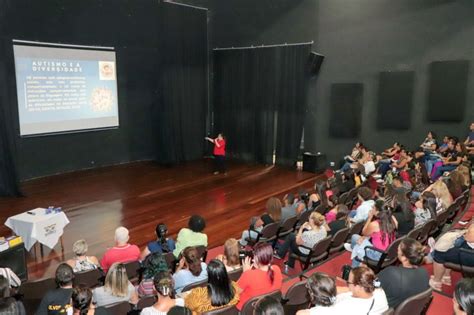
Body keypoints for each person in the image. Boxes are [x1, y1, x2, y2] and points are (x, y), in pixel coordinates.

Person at [378, 238, 429, 308]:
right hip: (407, 310)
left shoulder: (391, 273)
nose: (397, 252)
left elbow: (371, 287)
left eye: (398, 250)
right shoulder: (424, 272)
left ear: (404, 258)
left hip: (386, 309)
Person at [346, 202, 397, 267]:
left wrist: (370, 217)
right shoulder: (392, 220)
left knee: (357, 245)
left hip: (378, 254)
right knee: (358, 238)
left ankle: (354, 269)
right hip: (390, 252)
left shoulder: (375, 224)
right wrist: (364, 237)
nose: (371, 209)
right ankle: (353, 249)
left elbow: (363, 232)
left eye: (373, 207)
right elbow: (378, 233)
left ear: (377, 211)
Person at [236, 243, 282, 310]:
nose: (252, 260)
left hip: (247, 310)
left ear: (257, 259)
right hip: (267, 308)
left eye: (254, 256)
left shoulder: (249, 275)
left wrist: (245, 272)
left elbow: (234, 292)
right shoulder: (277, 269)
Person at [430, 225, 474, 290]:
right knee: (451, 244)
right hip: (470, 251)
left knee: (439, 253)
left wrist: (467, 231)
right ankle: (446, 277)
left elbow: (469, 238)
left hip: (470, 253)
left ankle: (436, 282)